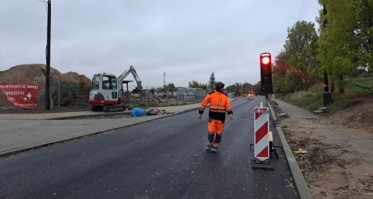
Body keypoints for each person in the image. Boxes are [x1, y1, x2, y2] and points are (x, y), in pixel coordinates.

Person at [198, 82, 233, 152]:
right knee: (211, 132)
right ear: (218, 87)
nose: (223, 88)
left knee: (219, 133)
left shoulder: (225, 96)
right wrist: (200, 113)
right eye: (222, 87)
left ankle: (216, 146)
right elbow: (203, 104)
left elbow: (228, 106)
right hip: (212, 117)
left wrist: (230, 113)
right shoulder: (211, 95)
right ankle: (210, 144)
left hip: (221, 118)